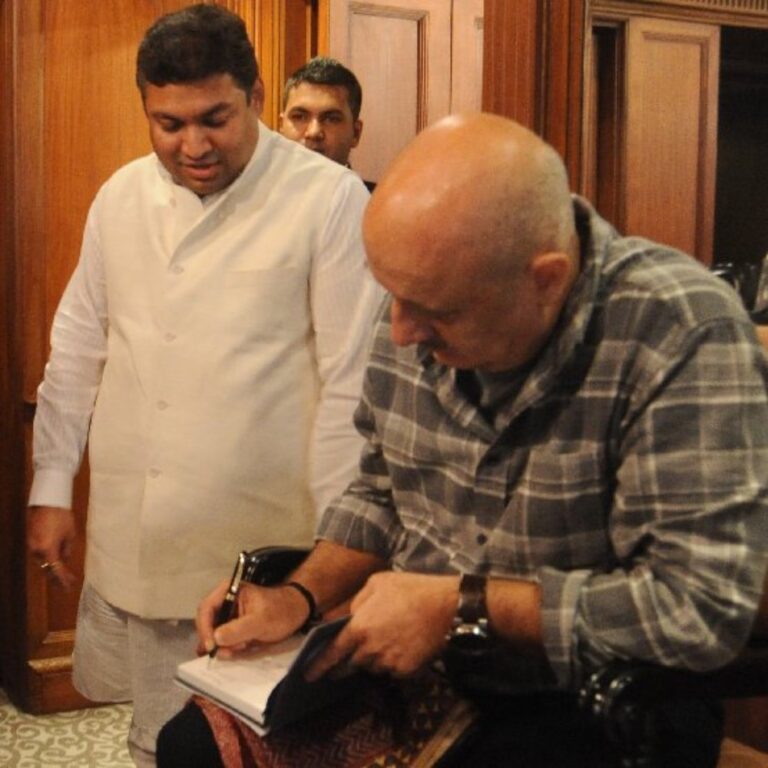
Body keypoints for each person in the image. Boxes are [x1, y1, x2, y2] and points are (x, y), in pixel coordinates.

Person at [158, 113, 768, 767]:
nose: (399, 333)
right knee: (194, 749)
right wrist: (298, 596)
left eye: (435, 311)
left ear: (546, 279)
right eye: (390, 296)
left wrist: (461, 603)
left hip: (593, 698)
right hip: (425, 672)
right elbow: (380, 492)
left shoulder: (679, 332)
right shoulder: (419, 298)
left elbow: (699, 611)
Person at [25, 4, 381, 765]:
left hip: (259, 548)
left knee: (243, 747)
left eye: (214, 118)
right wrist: (51, 483)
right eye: (168, 123)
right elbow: (80, 341)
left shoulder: (327, 200)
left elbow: (351, 384)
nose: (193, 145)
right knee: (155, 739)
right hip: (134, 520)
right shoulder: (120, 195)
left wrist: (336, 552)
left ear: (254, 93)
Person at [279, 56, 375, 190]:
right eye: (299, 117)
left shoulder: (379, 206)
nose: (313, 132)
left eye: (331, 119)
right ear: (281, 128)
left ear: (356, 133)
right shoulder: (254, 201)